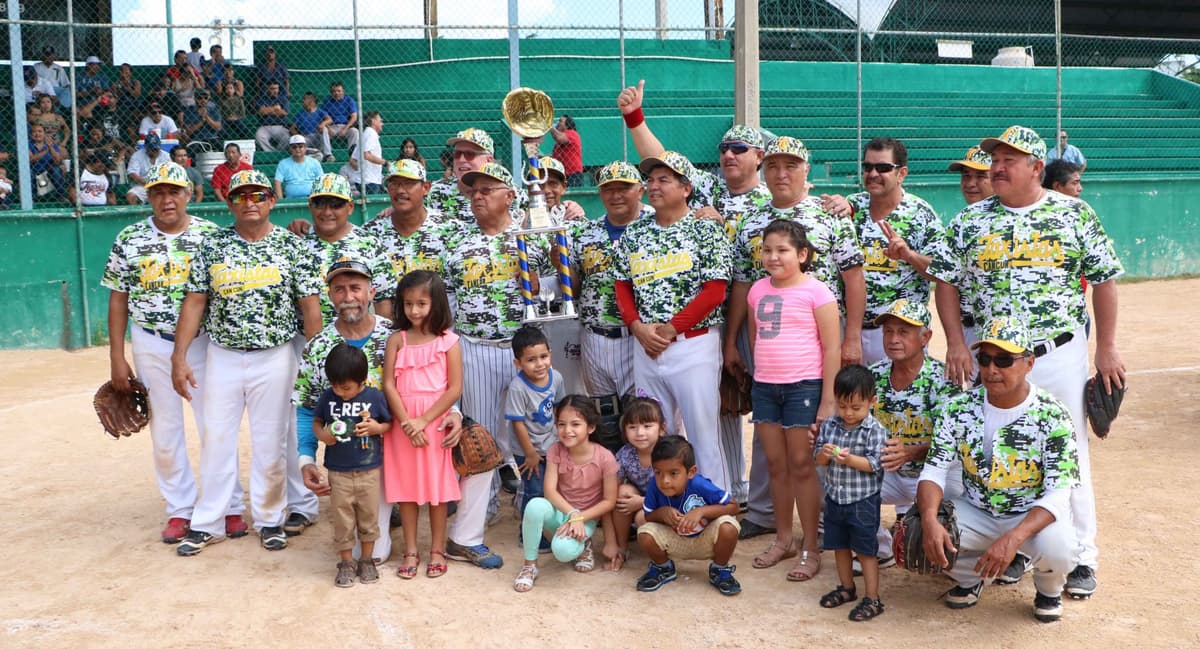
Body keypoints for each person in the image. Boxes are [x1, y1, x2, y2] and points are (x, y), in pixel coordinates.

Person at [930, 125, 1125, 599]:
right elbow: (946, 282)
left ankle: (1081, 556)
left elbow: (1104, 280)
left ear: (1036, 167)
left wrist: (1105, 347)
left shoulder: (1073, 213)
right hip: (994, 358)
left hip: (1055, 353)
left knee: (1068, 452)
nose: (997, 167)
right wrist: (956, 342)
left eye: (1008, 160)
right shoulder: (971, 220)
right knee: (998, 449)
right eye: (995, 159)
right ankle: (1018, 547)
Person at [171, 169, 322, 556]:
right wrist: (179, 355)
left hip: (275, 356)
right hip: (223, 355)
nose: (250, 202)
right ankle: (209, 522)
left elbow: (310, 307)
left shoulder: (291, 246)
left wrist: (317, 359)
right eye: (240, 196)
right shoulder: (213, 245)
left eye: (258, 195)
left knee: (272, 440)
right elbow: (195, 301)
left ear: (272, 200)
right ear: (229, 203)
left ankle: (270, 519)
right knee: (216, 439)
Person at [102, 161, 248, 543]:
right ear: (149, 197)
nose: (167, 199)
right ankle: (180, 509)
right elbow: (118, 299)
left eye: (174, 192)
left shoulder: (210, 235)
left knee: (215, 426)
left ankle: (229, 504)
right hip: (151, 340)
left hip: (202, 343)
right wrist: (117, 356)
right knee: (165, 430)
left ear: (188, 195)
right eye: (158, 193)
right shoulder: (129, 238)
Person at [729, 136, 867, 541]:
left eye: (790, 165)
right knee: (769, 438)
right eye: (773, 165)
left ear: (806, 170)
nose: (781, 173)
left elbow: (852, 276)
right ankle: (765, 513)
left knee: (816, 435)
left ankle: (821, 522)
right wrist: (730, 341)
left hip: (817, 337)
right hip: (770, 338)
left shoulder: (829, 215)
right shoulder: (751, 220)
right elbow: (743, 284)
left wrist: (852, 335)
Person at [917, 318, 1081, 623]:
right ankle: (973, 577)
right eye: (985, 359)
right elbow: (934, 470)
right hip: (977, 510)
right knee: (916, 534)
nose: (992, 369)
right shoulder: (957, 408)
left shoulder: (1053, 414)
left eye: (1004, 360)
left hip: (1028, 515)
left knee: (1059, 547)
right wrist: (928, 520)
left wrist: (1014, 539)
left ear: (1029, 363)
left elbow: (1059, 493)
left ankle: (1048, 589)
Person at [294, 258, 455, 566]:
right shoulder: (318, 346)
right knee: (370, 554)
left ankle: (462, 538)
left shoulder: (397, 335)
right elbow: (306, 408)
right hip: (353, 459)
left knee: (474, 455)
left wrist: (455, 413)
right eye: (339, 289)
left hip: (400, 442)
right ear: (330, 296)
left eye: (356, 288)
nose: (348, 296)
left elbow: (434, 379)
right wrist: (306, 459)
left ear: (371, 292)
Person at [441, 161, 551, 570]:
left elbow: (562, 284)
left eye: (487, 189)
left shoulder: (531, 237)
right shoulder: (457, 244)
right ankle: (478, 515)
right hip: (475, 347)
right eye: (473, 190)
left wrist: (542, 286)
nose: (478, 196)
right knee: (481, 438)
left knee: (535, 431)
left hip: (525, 350)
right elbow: (448, 304)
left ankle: (531, 505)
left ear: (510, 195)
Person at [613, 151, 734, 496]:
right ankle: (664, 506)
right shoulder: (634, 232)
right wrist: (637, 327)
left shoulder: (705, 230)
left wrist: (670, 329)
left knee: (702, 435)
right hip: (647, 345)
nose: (654, 186)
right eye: (650, 180)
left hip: (692, 344)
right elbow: (622, 287)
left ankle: (714, 507)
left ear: (686, 188)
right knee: (653, 435)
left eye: (664, 180)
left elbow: (715, 291)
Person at [746, 219, 840, 580]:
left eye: (782, 250)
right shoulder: (757, 290)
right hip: (766, 388)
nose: (773, 257)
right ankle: (784, 539)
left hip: (804, 388)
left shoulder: (817, 292)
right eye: (767, 250)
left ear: (802, 254)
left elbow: (831, 348)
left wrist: (827, 400)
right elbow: (756, 339)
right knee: (776, 465)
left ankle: (810, 547)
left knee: (802, 465)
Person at [865, 298, 961, 574]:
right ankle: (880, 549)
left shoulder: (943, 378)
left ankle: (958, 561)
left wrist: (911, 451)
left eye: (903, 332)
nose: (893, 339)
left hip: (935, 477)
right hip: (890, 472)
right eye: (888, 331)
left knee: (960, 511)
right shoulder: (873, 375)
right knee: (845, 479)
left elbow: (956, 440)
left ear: (925, 338)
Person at [382, 270, 463, 579]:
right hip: (403, 425)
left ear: (436, 303)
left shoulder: (449, 341)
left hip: (434, 423)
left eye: (422, 304)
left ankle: (437, 549)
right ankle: (411, 550)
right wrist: (407, 422)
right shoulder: (396, 340)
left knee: (437, 491)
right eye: (408, 304)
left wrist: (423, 421)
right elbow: (389, 384)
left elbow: (454, 389)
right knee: (407, 489)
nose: (414, 311)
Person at [846, 137, 942, 366]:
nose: (873, 174)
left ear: (901, 173)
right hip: (851, 330)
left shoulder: (920, 214)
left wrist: (909, 255)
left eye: (883, 168)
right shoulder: (851, 207)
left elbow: (941, 271)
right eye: (867, 167)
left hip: (898, 334)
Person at [570, 161, 651, 416]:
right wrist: (562, 267)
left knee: (641, 416)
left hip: (639, 337)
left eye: (623, 188)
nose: (615, 195)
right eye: (608, 189)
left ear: (640, 190)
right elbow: (575, 289)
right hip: (595, 336)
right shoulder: (585, 233)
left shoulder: (656, 227)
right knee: (604, 417)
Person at [514, 396, 619, 591]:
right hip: (562, 512)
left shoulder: (605, 457)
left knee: (562, 551)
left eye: (575, 424)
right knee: (535, 506)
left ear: (591, 427)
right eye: (561, 424)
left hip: (586, 518)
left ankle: (583, 544)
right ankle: (529, 566)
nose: (567, 430)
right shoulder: (555, 450)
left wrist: (580, 517)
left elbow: (609, 501)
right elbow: (549, 491)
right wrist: (572, 514)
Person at [311, 342, 392, 587]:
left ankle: (366, 560)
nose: (340, 392)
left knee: (369, 517)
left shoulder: (374, 397)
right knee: (342, 518)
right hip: (338, 472)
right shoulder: (328, 397)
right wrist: (322, 435)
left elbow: (389, 423)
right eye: (335, 386)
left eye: (346, 387)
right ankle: (346, 562)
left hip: (369, 470)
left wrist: (377, 428)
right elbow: (317, 421)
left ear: (362, 380)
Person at [814, 365, 888, 621]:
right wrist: (824, 454)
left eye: (856, 407)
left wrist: (848, 460)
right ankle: (847, 587)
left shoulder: (875, 430)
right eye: (842, 406)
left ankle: (873, 598)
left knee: (866, 550)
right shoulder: (830, 425)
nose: (848, 413)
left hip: (862, 501)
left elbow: (874, 465)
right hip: (835, 497)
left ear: (872, 401)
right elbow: (819, 460)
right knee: (839, 545)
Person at [636, 435, 742, 595]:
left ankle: (719, 569)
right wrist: (662, 513)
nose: (664, 481)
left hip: (706, 540)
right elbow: (648, 516)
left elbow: (734, 506)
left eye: (673, 473)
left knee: (728, 526)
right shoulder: (654, 485)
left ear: (691, 472)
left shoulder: (699, 484)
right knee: (645, 533)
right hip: (674, 540)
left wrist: (701, 511)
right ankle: (663, 568)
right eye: (658, 472)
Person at [361, 160, 457, 321]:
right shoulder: (370, 234)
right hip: (390, 328)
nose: (400, 190)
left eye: (408, 183)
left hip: (440, 328)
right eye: (394, 184)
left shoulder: (451, 230)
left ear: (426, 187)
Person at [506, 326, 568, 545]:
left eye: (543, 356)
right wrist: (530, 454)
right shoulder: (518, 387)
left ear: (550, 353)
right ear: (518, 363)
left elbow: (559, 408)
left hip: (550, 443)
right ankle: (529, 536)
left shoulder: (556, 377)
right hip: (527, 449)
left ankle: (550, 528)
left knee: (552, 488)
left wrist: (561, 438)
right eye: (531, 360)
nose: (540, 364)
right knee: (534, 491)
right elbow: (517, 423)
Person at [607, 395, 665, 571]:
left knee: (642, 517)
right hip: (639, 501)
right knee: (621, 492)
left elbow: (677, 492)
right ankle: (622, 548)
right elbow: (610, 493)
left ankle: (664, 554)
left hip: (668, 505)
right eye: (632, 427)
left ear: (662, 429)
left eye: (647, 426)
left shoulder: (669, 452)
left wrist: (643, 502)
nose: (640, 433)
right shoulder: (626, 454)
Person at [946, 146, 994, 354]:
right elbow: (944, 279)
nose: (970, 183)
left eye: (981, 176)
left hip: (1006, 335)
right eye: (966, 175)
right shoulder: (962, 222)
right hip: (969, 330)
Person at [426, 128, 528, 222]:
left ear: (489, 160)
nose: (461, 160)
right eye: (457, 154)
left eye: (469, 154)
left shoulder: (510, 194)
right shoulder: (435, 192)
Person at [126, 133, 172, 205]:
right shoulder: (137, 155)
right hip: (143, 186)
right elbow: (132, 173)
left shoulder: (166, 156)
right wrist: (147, 183)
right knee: (131, 196)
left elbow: (170, 173)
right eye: (151, 149)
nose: (153, 151)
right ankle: (140, 212)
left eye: (155, 149)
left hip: (162, 185)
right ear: (145, 147)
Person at [536, 155, 586, 221]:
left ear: (563, 187)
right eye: (539, 185)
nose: (546, 190)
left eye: (553, 184)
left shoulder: (573, 218)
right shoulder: (523, 215)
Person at [275, 134, 324, 199]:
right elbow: (277, 182)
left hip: (312, 199)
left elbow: (321, 180)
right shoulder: (283, 163)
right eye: (294, 147)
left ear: (305, 148)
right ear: (290, 149)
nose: (297, 149)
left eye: (300, 146)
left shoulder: (314, 162)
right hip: (291, 200)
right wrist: (281, 202)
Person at [320, 82, 359, 162]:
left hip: (345, 125)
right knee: (323, 129)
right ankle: (328, 155)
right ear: (331, 92)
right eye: (334, 91)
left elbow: (354, 117)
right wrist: (328, 128)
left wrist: (345, 128)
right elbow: (322, 118)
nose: (336, 93)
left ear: (343, 91)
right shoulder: (327, 102)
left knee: (355, 131)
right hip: (332, 126)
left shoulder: (349, 100)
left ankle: (353, 155)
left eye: (339, 91)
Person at [28, 124, 67, 202]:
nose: (37, 134)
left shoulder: (52, 144)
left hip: (48, 171)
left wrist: (50, 148)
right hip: (34, 170)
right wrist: (46, 151)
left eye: (40, 131)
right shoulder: (28, 144)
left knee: (56, 170)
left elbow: (58, 160)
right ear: (31, 134)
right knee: (29, 172)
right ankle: (32, 199)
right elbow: (31, 159)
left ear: (44, 134)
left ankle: (61, 196)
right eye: (34, 132)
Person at [180, 89, 223, 155]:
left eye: (205, 98)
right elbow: (189, 131)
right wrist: (202, 121)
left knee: (222, 148)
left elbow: (218, 127)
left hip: (212, 138)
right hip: (196, 139)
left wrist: (206, 117)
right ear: (195, 99)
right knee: (191, 150)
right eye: (200, 98)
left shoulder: (213, 109)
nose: (203, 100)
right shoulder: (190, 110)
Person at [293, 92, 333, 161]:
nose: (302, 101)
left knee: (324, 129)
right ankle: (316, 153)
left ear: (311, 100)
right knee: (298, 142)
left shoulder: (319, 111)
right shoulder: (300, 114)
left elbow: (330, 120)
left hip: (317, 136)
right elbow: (292, 129)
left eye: (304, 99)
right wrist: (299, 137)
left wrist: (323, 123)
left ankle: (328, 154)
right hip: (306, 137)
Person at [255, 81, 291, 152]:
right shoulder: (261, 98)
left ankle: (279, 152)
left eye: (276, 88)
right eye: (272, 88)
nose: (274, 91)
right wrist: (276, 108)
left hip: (280, 126)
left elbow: (284, 113)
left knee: (288, 137)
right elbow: (262, 112)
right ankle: (270, 152)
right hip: (265, 126)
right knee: (259, 136)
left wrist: (267, 110)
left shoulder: (283, 99)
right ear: (267, 89)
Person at [549, 115, 584, 186]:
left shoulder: (572, 133)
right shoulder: (559, 143)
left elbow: (558, 137)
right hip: (562, 174)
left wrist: (549, 126)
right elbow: (554, 157)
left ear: (567, 125)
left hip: (573, 174)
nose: (558, 123)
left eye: (560, 121)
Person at [357, 111, 386, 194]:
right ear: (373, 121)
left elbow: (353, 159)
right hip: (369, 180)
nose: (382, 124)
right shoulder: (371, 133)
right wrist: (385, 163)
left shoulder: (365, 134)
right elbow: (367, 155)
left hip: (366, 179)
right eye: (380, 121)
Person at [216, 75, 250, 139]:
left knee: (244, 130)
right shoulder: (222, 100)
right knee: (221, 131)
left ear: (234, 90)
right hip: (225, 119)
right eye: (227, 88)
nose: (229, 90)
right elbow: (220, 111)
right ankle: (226, 139)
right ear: (225, 90)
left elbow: (242, 111)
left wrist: (237, 117)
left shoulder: (239, 99)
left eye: (231, 88)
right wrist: (226, 117)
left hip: (236, 118)